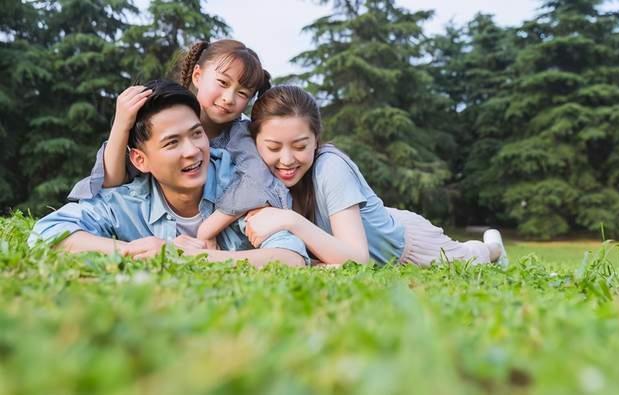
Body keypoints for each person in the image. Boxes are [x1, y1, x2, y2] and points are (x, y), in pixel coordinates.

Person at [29, 80, 309, 268]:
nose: (193, 151)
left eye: (197, 134)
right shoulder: (128, 202)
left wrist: (194, 256)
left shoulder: (239, 186)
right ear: (140, 159)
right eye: (172, 142)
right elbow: (46, 234)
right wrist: (133, 250)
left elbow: (292, 256)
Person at [243, 85, 509, 267]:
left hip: (407, 247)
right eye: (274, 147)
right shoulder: (259, 173)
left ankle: (493, 246)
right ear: (256, 142)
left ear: (316, 139)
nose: (287, 159)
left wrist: (290, 220)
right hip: (373, 224)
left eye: (300, 146)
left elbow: (358, 259)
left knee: (473, 258)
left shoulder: (330, 167)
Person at [67, 39, 288, 249]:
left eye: (242, 93)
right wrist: (121, 124)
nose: (229, 98)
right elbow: (111, 183)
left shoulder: (241, 136)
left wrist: (207, 230)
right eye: (222, 83)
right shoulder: (166, 112)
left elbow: (258, 182)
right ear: (198, 75)